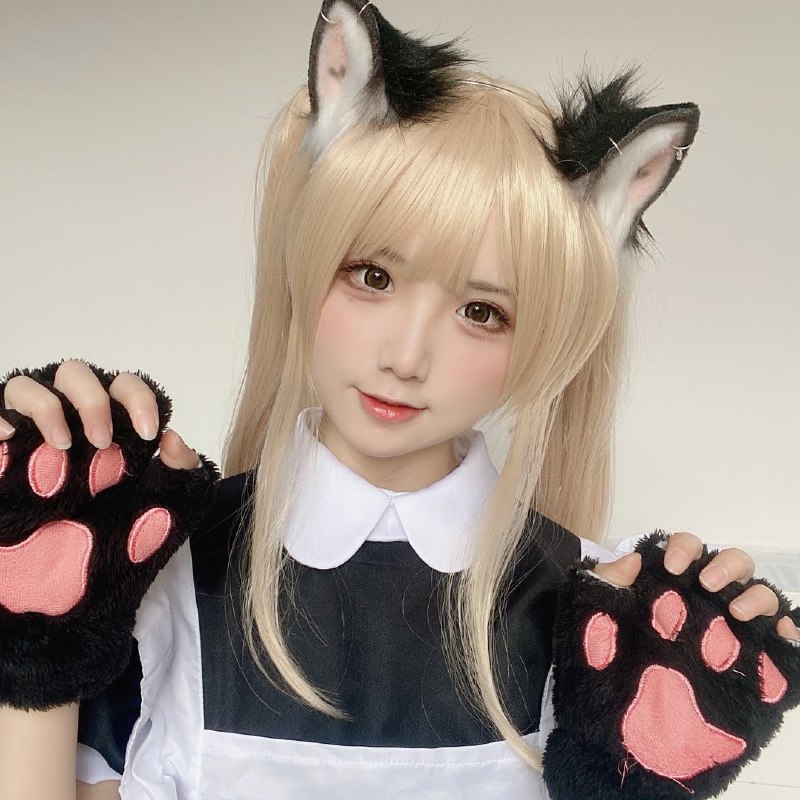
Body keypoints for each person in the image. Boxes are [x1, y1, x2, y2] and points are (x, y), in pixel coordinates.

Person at [0, 2, 797, 798]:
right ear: (307, 260)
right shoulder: (154, 568)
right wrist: (32, 649)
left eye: (482, 312)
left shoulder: (601, 626)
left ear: (550, 339)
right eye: (373, 276)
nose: (406, 358)